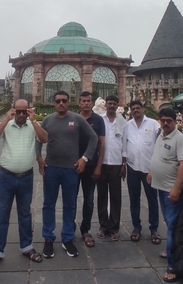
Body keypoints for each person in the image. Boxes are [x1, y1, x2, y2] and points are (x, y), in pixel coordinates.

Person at [0, 99, 48, 271]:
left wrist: (34, 120)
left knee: (25, 214)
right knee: (1, 214)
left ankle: (27, 246)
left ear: (29, 111)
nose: (21, 115)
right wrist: (6, 119)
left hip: (26, 177)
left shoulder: (32, 125)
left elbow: (44, 138)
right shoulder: (7, 124)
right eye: (18, 111)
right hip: (7, 176)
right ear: (13, 110)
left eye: (24, 111)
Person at [35, 90, 98, 259]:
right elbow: (38, 138)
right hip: (51, 168)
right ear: (54, 103)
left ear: (69, 102)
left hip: (71, 169)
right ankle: (48, 238)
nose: (61, 103)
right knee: (49, 203)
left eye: (64, 100)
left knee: (70, 204)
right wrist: (39, 157)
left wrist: (85, 158)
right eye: (58, 101)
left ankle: (67, 238)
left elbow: (93, 138)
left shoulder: (76, 119)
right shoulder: (48, 120)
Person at [147, 107, 183, 283]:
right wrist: (151, 171)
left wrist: (176, 188)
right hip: (160, 186)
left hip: (171, 190)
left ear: (175, 121)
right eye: (163, 120)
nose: (165, 123)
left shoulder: (179, 139)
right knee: (169, 222)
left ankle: (172, 265)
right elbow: (158, 156)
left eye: (169, 121)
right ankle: (170, 249)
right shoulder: (161, 134)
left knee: (172, 226)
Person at [123, 100, 161, 244]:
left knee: (152, 199)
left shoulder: (153, 124)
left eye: (138, 108)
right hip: (133, 167)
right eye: (133, 109)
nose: (136, 110)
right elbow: (125, 145)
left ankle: (154, 228)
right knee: (134, 199)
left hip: (149, 168)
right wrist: (123, 163)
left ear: (143, 109)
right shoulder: (127, 125)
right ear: (130, 111)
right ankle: (136, 227)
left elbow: (160, 143)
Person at [76, 91, 105, 247]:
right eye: (83, 101)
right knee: (70, 199)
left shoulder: (98, 120)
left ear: (92, 103)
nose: (86, 103)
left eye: (88, 101)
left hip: (92, 165)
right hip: (73, 166)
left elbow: (101, 144)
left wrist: (99, 166)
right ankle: (69, 228)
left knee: (89, 200)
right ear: (79, 103)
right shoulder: (73, 118)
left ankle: (85, 229)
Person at [96, 95, 126, 241]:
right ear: (105, 105)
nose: (112, 106)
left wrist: (124, 163)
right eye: (110, 103)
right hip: (101, 163)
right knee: (101, 195)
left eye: (114, 103)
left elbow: (125, 143)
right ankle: (103, 225)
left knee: (115, 196)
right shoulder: (99, 119)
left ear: (117, 105)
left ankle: (113, 227)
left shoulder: (122, 121)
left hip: (116, 163)